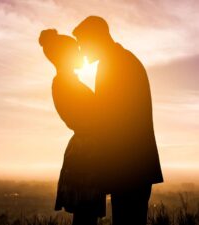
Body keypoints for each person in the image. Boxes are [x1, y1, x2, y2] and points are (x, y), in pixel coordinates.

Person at [72, 16, 164, 225]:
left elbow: (110, 120)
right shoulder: (119, 60)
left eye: (82, 44)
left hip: (129, 167)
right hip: (132, 167)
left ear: (95, 38)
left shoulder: (114, 65)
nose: (81, 51)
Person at [39, 29, 106, 225]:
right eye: (76, 50)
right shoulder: (64, 84)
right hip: (85, 154)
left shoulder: (67, 83)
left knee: (86, 215)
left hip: (85, 152)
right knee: (86, 215)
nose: (80, 53)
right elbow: (83, 119)